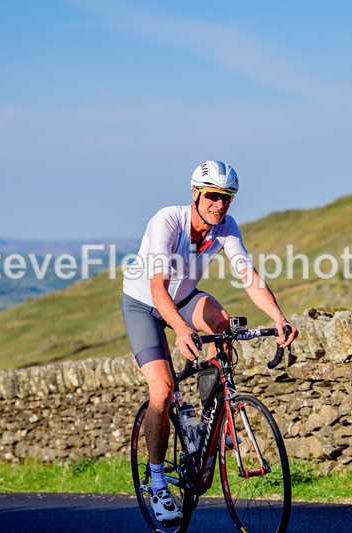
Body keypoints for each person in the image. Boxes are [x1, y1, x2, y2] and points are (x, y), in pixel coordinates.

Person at [121, 160, 298, 520]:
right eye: (214, 196)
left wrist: (278, 318)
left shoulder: (226, 227)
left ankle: (209, 417)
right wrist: (183, 330)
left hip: (185, 296)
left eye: (227, 198)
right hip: (145, 302)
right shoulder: (167, 221)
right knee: (163, 390)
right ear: (196, 193)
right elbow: (157, 287)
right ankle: (157, 483)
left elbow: (248, 275)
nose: (220, 205)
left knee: (221, 324)